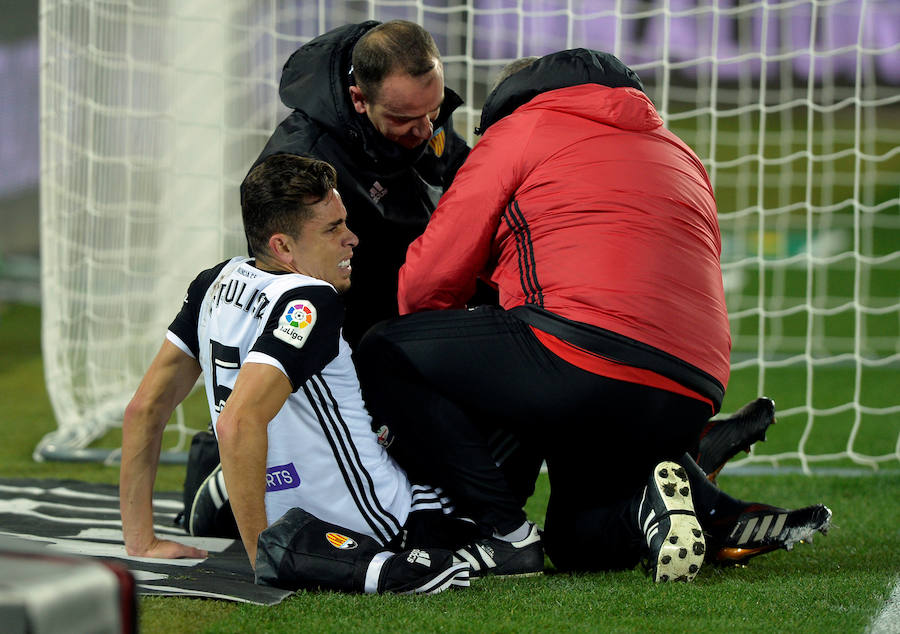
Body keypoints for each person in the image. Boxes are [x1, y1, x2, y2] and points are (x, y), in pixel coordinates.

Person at [354, 50, 832, 582]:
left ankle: (503, 531)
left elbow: (429, 279)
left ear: (509, 104)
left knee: (387, 350)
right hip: (694, 385)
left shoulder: (519, 131)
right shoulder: (678, 149)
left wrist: (450, 356)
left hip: (581, 358)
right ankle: (669, 492)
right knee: (578, 542)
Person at [120, 154, 483, 594]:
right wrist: (263, 558)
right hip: (375, 523)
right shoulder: (311, 300)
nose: (351, 238)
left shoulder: (213, 282)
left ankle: (223, 492)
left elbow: (145, 407)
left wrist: (141, 540)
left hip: (275, 500)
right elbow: (238, 422)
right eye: (333, 229)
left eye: (345, 222)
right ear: (284, 247)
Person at [251, 19, 471, 348]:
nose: (425, 130)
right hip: (360, 326)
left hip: (427, 290)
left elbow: (458, 173)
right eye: (404, 119)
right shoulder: (303, 163)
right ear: (359, 99)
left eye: (434, 111)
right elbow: (293, 291)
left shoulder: (417, 109)